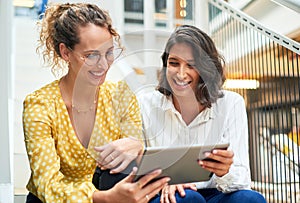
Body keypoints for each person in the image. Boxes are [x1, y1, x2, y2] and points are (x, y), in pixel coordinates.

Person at [22, 3, 170, 203]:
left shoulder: (121, 96)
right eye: (91, 55)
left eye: (109, 53)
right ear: (65, 53)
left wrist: (138, 148)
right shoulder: (39, 105)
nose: (103, 65)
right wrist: (103, 198)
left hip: (113, 190)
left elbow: (131, 164)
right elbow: (46, 184)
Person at [137, 25, 267, 203]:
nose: (181, 74)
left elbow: (242, 181)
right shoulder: (145, 104)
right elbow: (136, 170)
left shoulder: (230, 103)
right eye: (174, 63)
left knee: (250, 199)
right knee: (188, 198)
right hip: (167, 195)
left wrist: (225, 170)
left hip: (217, 192)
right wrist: (161, 184)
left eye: (191, 65)